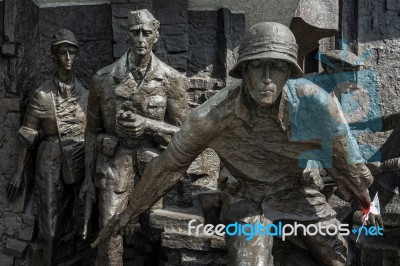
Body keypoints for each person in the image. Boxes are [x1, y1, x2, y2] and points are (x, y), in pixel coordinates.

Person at [96, 22, 380, 265]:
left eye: (277, 68)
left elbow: (348, 165)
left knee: (337, 255)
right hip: (246, 199)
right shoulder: (212, 116)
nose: (267, 79)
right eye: (257, 66)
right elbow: (168, 167)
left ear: (289, 73)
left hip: (297, 193)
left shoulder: (315, 105)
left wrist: (366, 207)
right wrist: (129, 212)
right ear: (243, 71)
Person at [82, 9, 188, 265]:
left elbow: (186, 135)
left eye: (146, 33)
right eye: (135, 32)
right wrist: (88, 176)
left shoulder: (171, 79)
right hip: (114, 166)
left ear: (156, 36)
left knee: (159, 235)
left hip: (155, 167)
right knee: (108, 233)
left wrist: (149, 125)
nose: (141, 38)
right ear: (126, 35)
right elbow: (91, 131)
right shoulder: (103, 79)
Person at [7, 29, 87, 265]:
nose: (68, 58)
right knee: (50, 227)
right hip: (49, 159)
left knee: (79, 222)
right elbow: (27, 135)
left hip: (79, 160)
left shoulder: (86, 94)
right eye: (63, 53)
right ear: (55, 56)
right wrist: (19, 172)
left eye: (72, 52)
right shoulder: (42, 95)